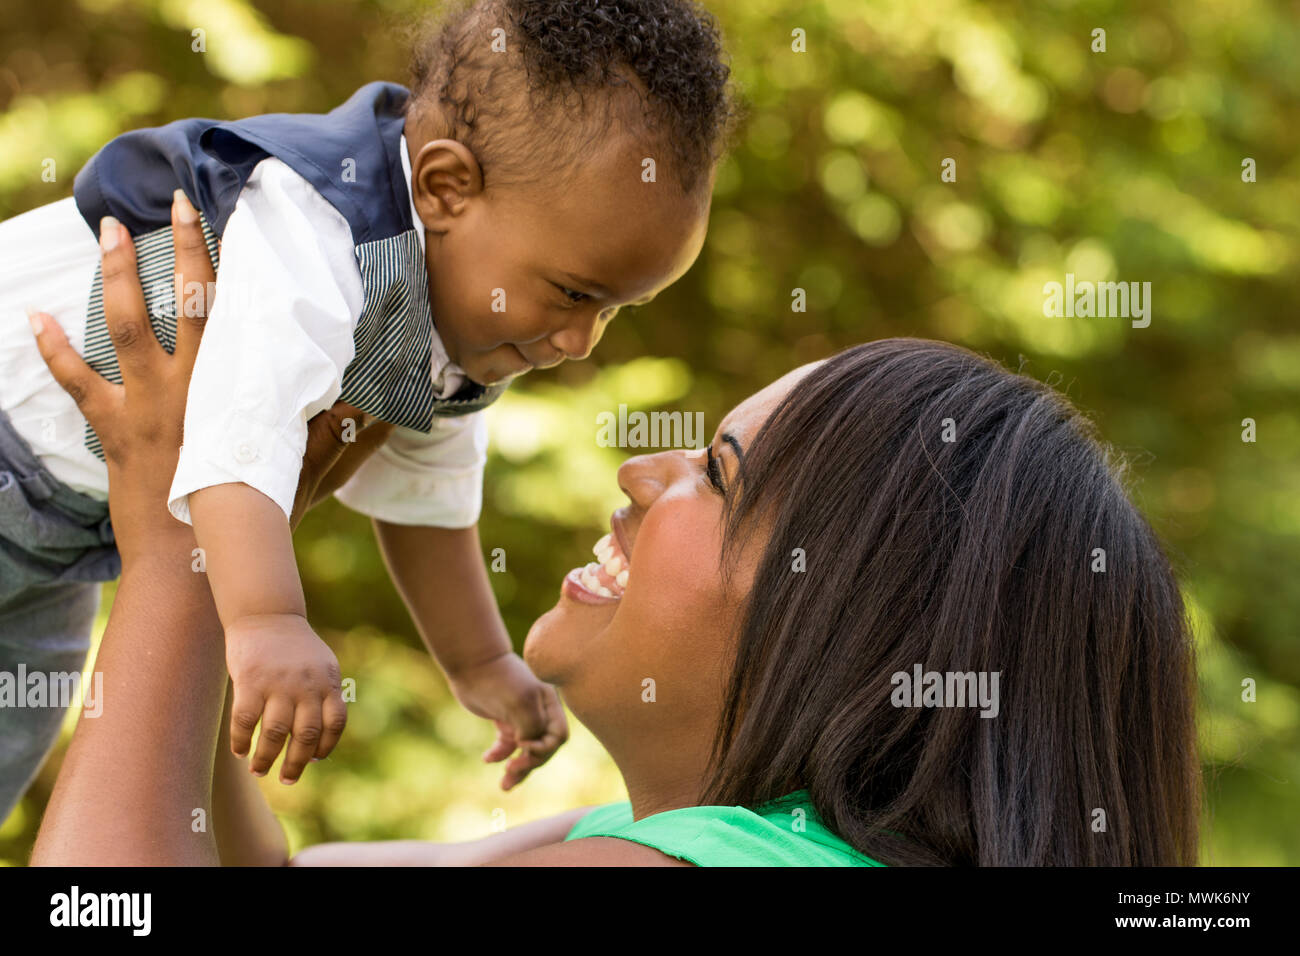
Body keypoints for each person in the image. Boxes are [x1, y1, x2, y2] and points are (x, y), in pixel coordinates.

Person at [27, 196, 1200, 867]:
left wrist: (176, 541)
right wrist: (229, 553)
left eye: (718, 475)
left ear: (855, 614)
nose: (642, 473)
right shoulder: (639, 834)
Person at [0, 0, 740, 821]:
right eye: (573, 293)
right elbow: (238, 436)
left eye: (616, 311)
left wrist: (480, 663)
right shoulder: (318, 228)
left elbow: (428, 501)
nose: (581, 341)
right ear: (446, 187)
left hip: (62, 542)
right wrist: (269, 620)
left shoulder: (458, 331)